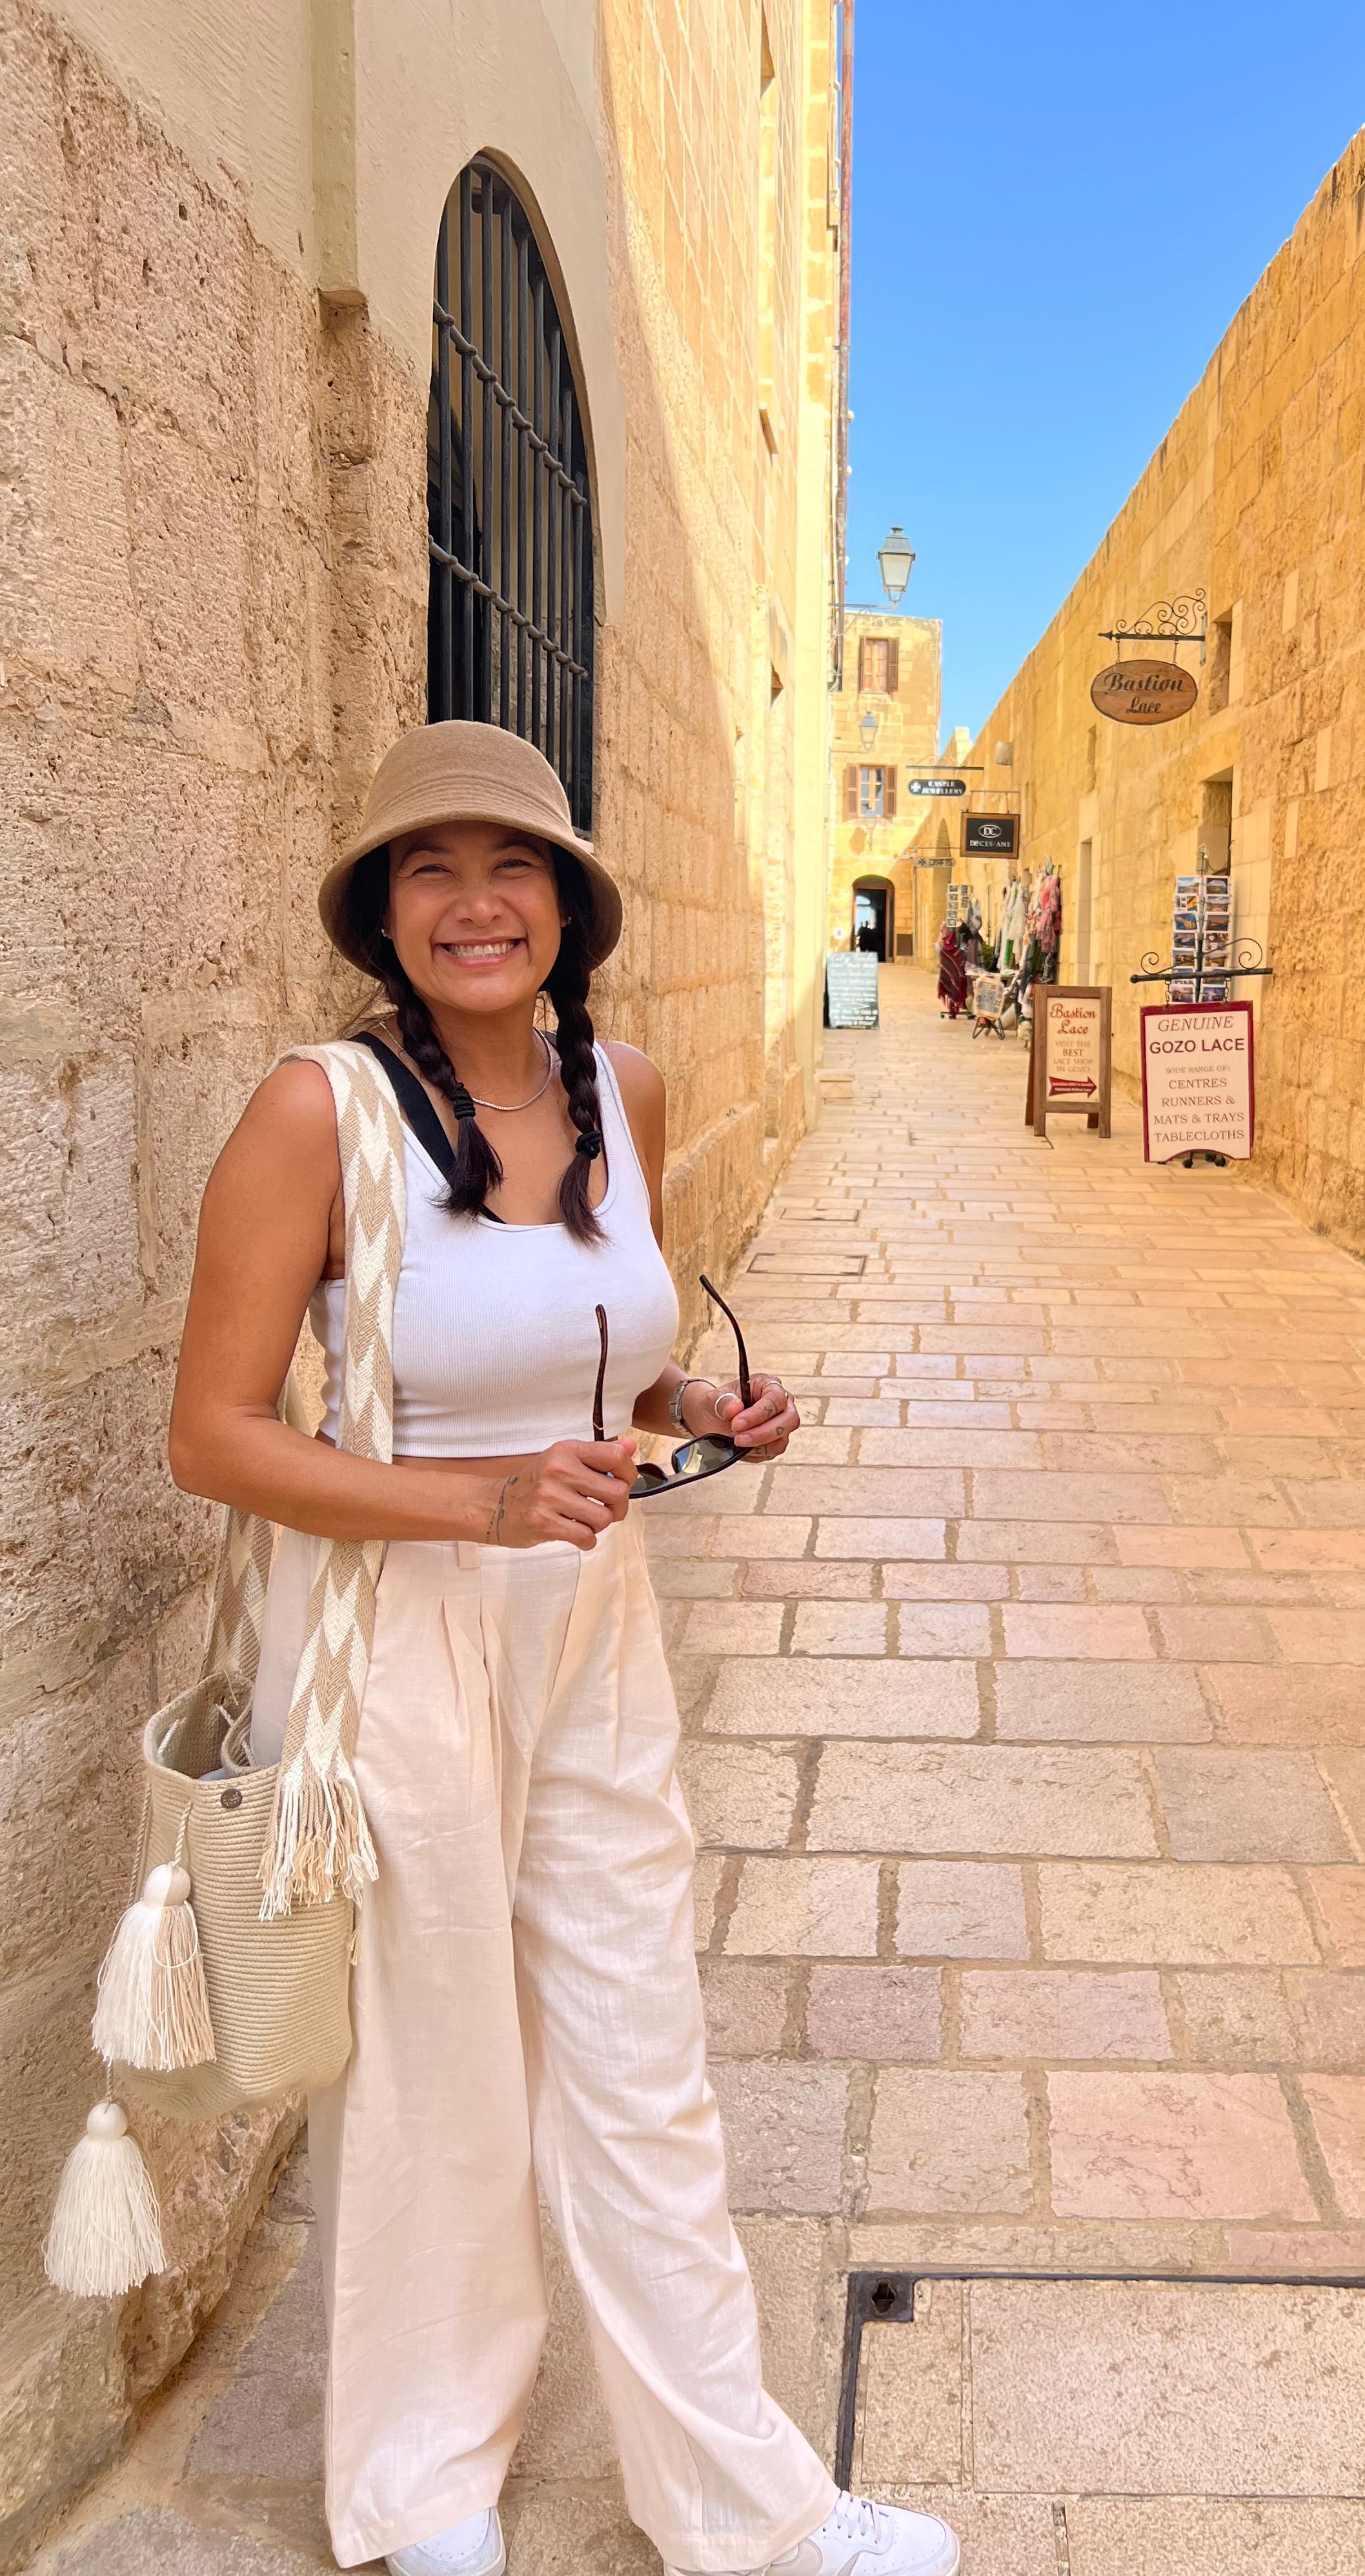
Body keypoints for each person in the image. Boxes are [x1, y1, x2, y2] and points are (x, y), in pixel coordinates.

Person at [168, 722, 957, 2576]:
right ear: (383, 912)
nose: (474, 903)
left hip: (590, 1631)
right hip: (395, 1635)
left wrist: (701, 1410)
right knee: (440, 2066)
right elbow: (214, 1433)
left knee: (637, 2049)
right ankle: (425, 2487)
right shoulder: (319, 1113)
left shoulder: (628, 1090)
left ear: (567, 905)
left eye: (509, 866)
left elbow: (599, 1357)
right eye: (429, 871)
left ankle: (745, 2508)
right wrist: (481, 1508)